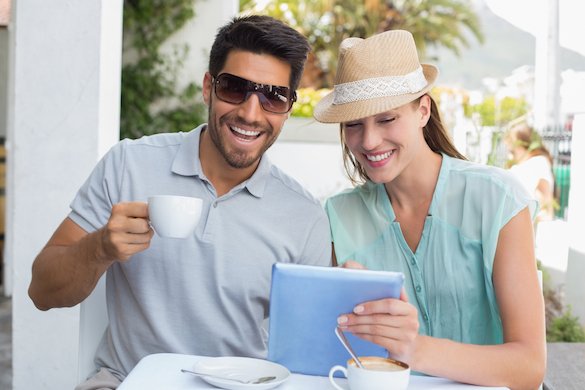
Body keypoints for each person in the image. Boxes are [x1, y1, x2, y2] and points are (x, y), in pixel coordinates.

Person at [28, 15, 331, 389]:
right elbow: (41, 292)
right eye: (235, 88)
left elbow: (310, 351)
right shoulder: (128, 165)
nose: (251, 113)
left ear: (287, 108)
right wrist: (100, 247)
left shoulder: (304, 217)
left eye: (273, 96)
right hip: (126, 381)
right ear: (208, 88)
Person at [314, 30, 545, 389]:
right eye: (354, 125)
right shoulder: (336, 217)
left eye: (387, 119)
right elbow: (328, 351)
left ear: (423, 110)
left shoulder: (498, 199)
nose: (369, 141)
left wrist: (415, 349)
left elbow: (530, 368)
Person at [505, 122, 555, 223]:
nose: (510, 152)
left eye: (512, 149)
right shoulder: (522, 165)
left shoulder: (539, 163)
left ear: (524, 143)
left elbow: (547, 210)